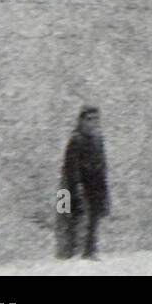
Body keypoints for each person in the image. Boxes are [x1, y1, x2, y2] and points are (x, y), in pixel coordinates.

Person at [59, 106, 109, 260]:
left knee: (95, 215)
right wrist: (76, 187)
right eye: (88, 120)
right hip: (75, 184)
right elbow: (70, 167)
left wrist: (103, 186)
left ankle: (90, 250)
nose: (92, 123)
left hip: (94, 183)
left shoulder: (98, 139)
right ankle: (70, 250)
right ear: (81, 121)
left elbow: (102, 163)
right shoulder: (76, 140)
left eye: (95, 120)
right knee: (71, 214)